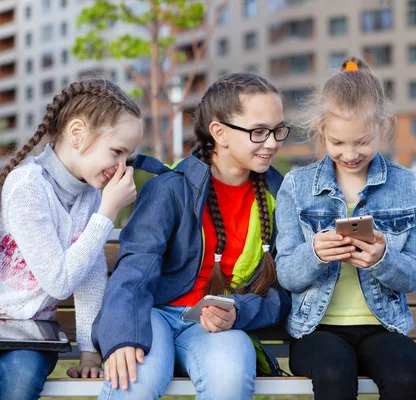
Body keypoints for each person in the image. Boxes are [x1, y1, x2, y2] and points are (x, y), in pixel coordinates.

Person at [0, 79, 143, 400]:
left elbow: (91, 276)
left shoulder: (91, 198)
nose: (122, 166)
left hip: (31, 333)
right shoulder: (27, 186)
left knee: (21, 382)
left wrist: (89, 351)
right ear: (78, 134)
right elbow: (58, 282)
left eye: (128, 155)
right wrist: (108, 213)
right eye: (116, 151)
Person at [95, 73, 291, 399]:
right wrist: (123, 336)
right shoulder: (170, 189)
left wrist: (239, 311)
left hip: (215, 325)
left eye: (277, 130)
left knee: (231, 375)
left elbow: (284, 292)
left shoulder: (280, 196)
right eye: (259, 132)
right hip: (152, 314)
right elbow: (134, 269)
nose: (272, 142)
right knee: (136, 378)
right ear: (219, 133)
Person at [275, 57, 416, 399]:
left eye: (362, 142)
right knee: (333, 373)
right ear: (321, 130)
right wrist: (315, 253)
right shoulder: (296, 186)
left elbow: (415, 274)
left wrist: (381, 259)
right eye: (338, 143)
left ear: (383, 126)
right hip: (316, 330)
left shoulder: (411, 186)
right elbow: (286, 274)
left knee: (407, 376)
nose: (350, 153)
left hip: (383, 327)